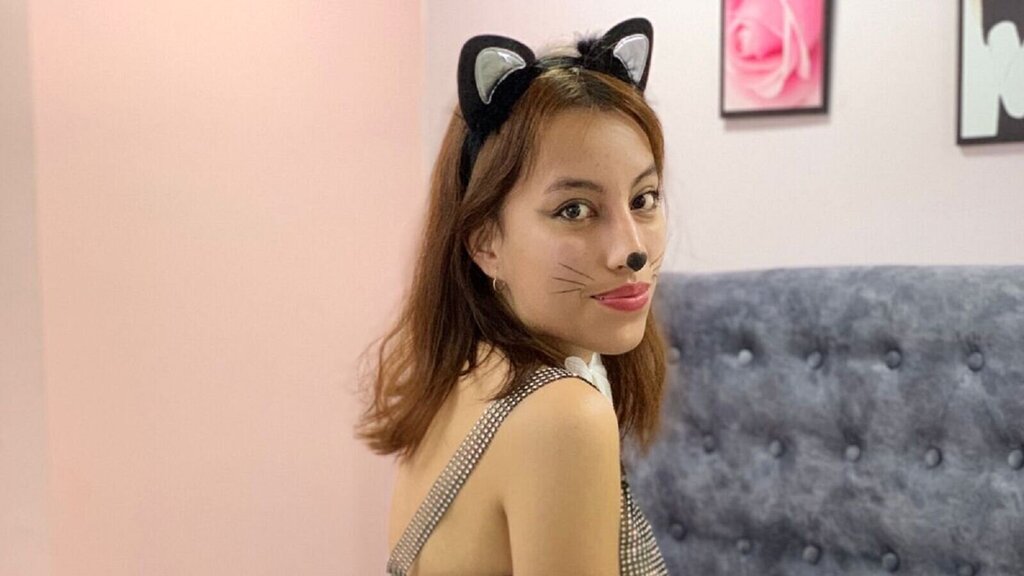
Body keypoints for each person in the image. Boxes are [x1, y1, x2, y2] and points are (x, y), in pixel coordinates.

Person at [355, 17, 671, 575]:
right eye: (575, 210)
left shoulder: (461, 376)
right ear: (485, 243)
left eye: (643, 199)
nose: (632, 250)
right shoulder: (564, 417)